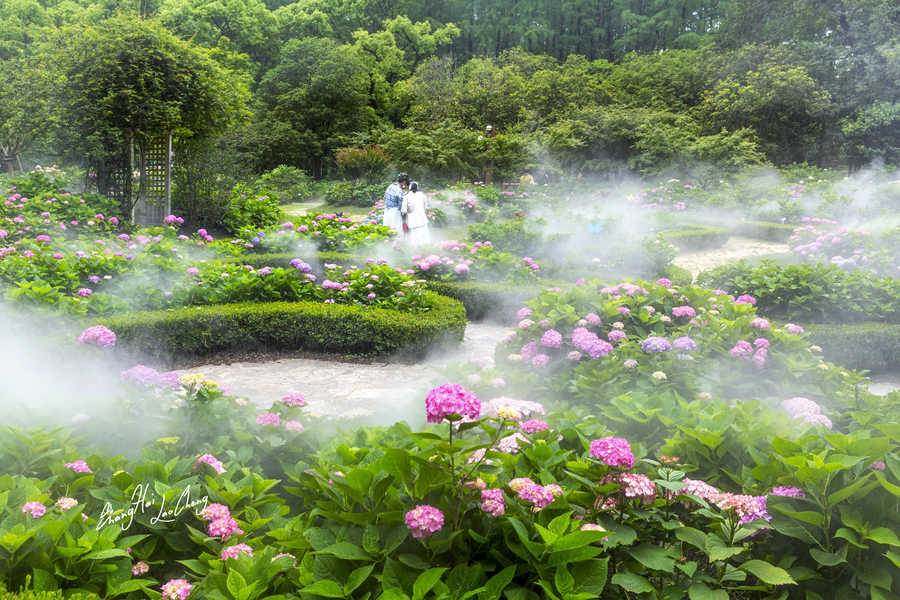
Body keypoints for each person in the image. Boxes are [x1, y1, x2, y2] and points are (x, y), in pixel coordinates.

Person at [401, 181, 430, 245]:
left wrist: (404, 218)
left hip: (412, 220)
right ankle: (425, 246)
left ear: (410, 188)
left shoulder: (406, 196)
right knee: (423, 233)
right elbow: (426, 207)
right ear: (417, 188)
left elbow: (404, 210)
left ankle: (415, 247)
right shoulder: (422, 195)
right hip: (422, 218)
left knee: (414, 235)